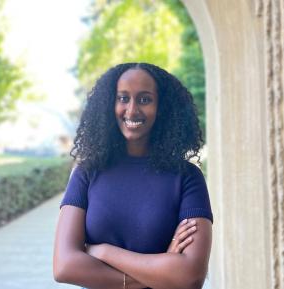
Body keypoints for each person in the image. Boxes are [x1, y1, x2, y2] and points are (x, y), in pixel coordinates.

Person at [53, 62, 213, 289]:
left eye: (145, 99)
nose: (132, 110)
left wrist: (103, 251)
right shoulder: (87, 173)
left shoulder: (187, 178)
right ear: (110, 104)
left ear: (162, 108)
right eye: (123, 98)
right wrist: (160, 273)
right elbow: (64, 266)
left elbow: (189, 277)